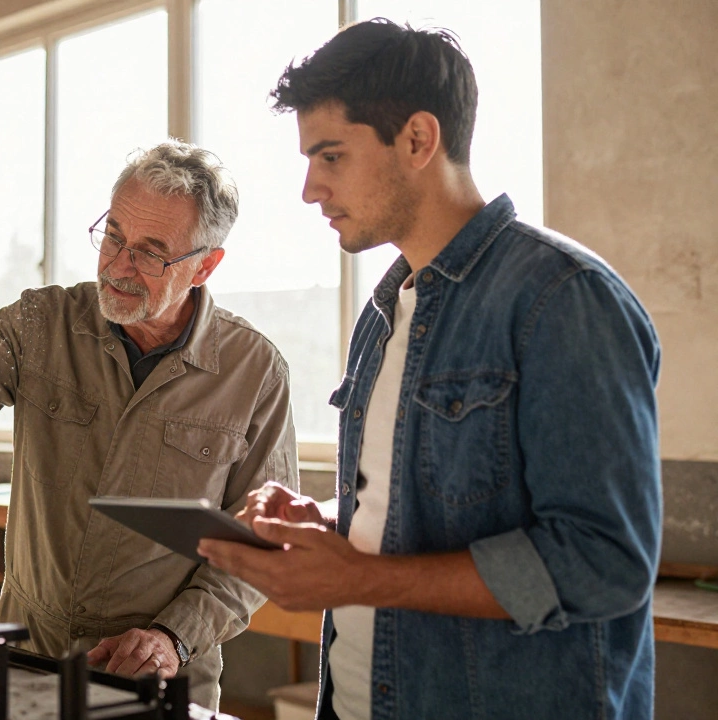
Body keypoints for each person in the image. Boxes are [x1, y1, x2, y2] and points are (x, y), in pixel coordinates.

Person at [198, 19, 661, 720]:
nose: (309, 190)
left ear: (417, 139)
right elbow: (413, 510)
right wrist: (324, 524)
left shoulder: (563, 298)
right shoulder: (384, 311)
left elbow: (605, 563)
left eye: (330, 156)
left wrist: (364, 576)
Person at [0, 140, 298, 709]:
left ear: (205, 264)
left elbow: (259, 548)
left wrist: (172, 638)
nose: (117, 266)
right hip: (29, 655)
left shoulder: (253, 372)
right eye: (112, 235)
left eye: (150, 252)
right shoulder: (45, 323)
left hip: (156, 676)